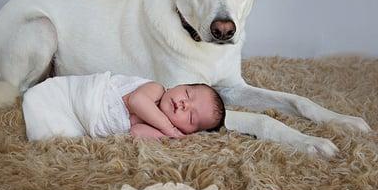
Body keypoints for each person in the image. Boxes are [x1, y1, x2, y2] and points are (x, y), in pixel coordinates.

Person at [22, 71, 225, 141]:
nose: (184, 104)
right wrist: (168, 127)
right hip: (80, 97)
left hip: (84, 121)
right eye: (188, 93)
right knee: (43, 102)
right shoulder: (155, 89)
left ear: (188, 131)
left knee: (54, 134)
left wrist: (168, 137)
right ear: (179, 85)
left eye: (191, 117)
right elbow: (137, 102)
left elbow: (135, 131)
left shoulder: (157, 127)